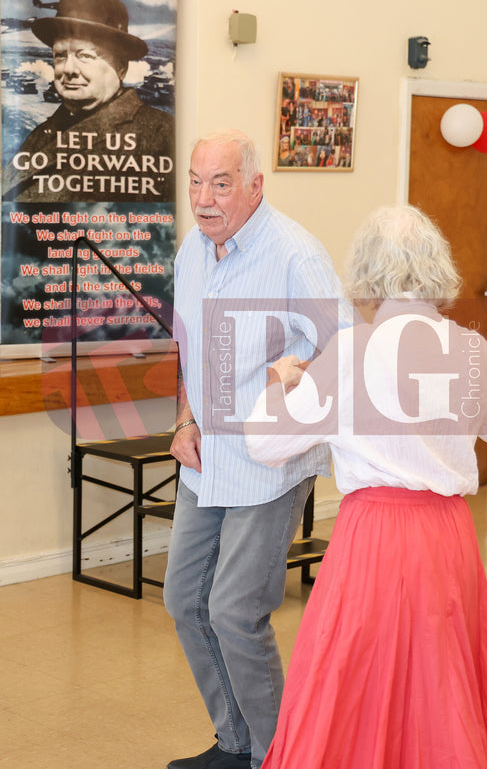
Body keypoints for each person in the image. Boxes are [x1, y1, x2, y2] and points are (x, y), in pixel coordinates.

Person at [245, 204, 487, 769]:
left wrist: (280, 382)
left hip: (372, 537)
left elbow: (265, 443)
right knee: (439, 677)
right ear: (436, 269)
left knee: (354, 674)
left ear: (367, 272)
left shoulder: (350, 352)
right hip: (447, 538)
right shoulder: (473, 351)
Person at [163, 130, 353, 769]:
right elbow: (188, 346)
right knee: (185, 599)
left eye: (220, 183)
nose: (204, 198)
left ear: (254, 186)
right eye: (195, 181)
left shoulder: (295, 254)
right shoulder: (194, 248)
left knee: (235, 610)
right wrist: (184, 418)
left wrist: (292, 381)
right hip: (204, 457)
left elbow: (344, 348)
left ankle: (280, 757)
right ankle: (235, 743)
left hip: (270, 467)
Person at [2, 0, 175, 202]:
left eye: (85, 55)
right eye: (59, 56)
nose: (69, 69)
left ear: (121, 67)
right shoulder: (41, 134)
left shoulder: (161, 133)